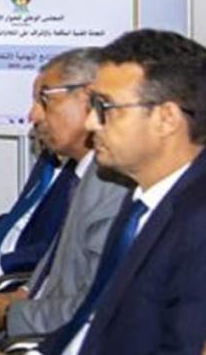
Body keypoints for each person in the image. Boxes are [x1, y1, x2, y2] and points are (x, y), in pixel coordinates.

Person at [36, 29, 206, 354]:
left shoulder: (199, 223)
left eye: (105, 107)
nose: (90, 124)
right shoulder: (140, 196)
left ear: (166, 118)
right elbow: (92, 318)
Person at [0, 48, 130, 338]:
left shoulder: (114, 186)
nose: (33, 115)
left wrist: (9, 313)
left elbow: (94, 306)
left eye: (45, 100)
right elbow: (55, 271)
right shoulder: (84, 174)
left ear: (88, 99)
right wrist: (18, 297)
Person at [0, 73, 83, 285]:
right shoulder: (49, 158)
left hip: (13, 280)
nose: (32, 116)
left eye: (44, 102)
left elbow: (60, 246)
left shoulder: (88, 176)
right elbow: (24, 218)